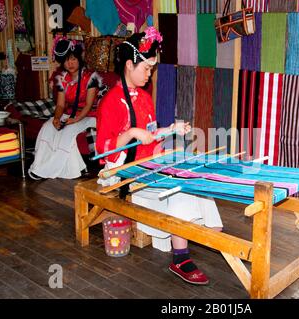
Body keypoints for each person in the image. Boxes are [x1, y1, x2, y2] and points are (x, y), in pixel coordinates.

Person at [96, 27, 223, 285]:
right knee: (179, 189)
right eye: (146, 68)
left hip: (149, 163)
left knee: (195, 178)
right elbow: (104, 150)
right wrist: (131, 133)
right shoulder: (110, 102)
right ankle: (180, 257)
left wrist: (171, 129)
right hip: (124, 172)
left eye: (152, 69)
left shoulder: (143, 98)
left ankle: (212, 235)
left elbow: (150, 134)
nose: (149, 74)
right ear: (129, 65)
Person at [28, 37, 103, 179]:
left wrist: (75, 120)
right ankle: (39, 167)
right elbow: (61, 105)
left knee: (67, 131)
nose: (70, 63)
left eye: (73, 59)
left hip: (89, 116)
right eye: (67, 60)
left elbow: (88, 105)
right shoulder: (61, 78)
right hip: (69, 114)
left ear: (79, 59)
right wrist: (56, 118)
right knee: (48, 127)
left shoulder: (91, 77)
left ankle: (53, 170)